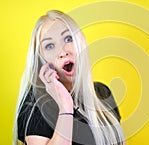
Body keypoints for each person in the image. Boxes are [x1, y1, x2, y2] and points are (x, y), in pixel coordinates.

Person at [13, 10, 125, 145]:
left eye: (68, 39)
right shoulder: (35, 103)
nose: (62, 51)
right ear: (42, 59)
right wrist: (66, 107)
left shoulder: (102, 93)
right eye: (49, 46)